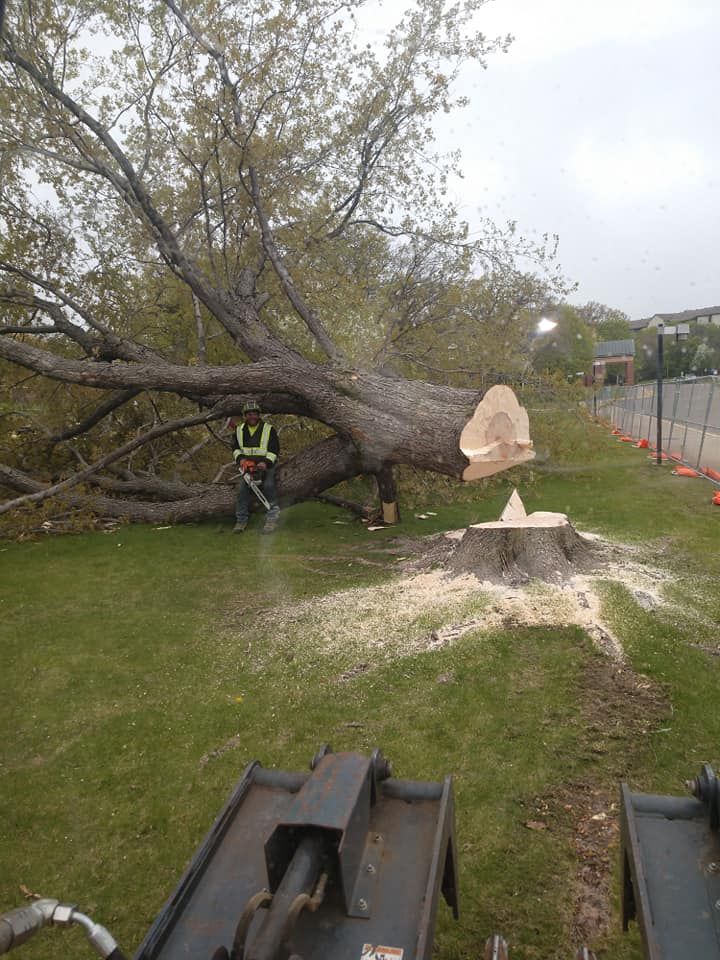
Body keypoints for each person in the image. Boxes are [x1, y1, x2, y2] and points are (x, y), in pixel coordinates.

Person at [232, 400, 280, 533]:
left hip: (267, 464)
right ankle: (241, 520)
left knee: (269, 486)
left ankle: (272, 519)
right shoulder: (239, 430)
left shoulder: (269, 429)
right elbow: (235, 449)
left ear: (259, 415)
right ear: (245, 416)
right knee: (242, 489)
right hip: (248, 466)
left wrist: (265, 463)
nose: (252, 416)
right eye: (249, 414)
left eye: (254, 414)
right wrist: (241, 460)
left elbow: (274, 450)